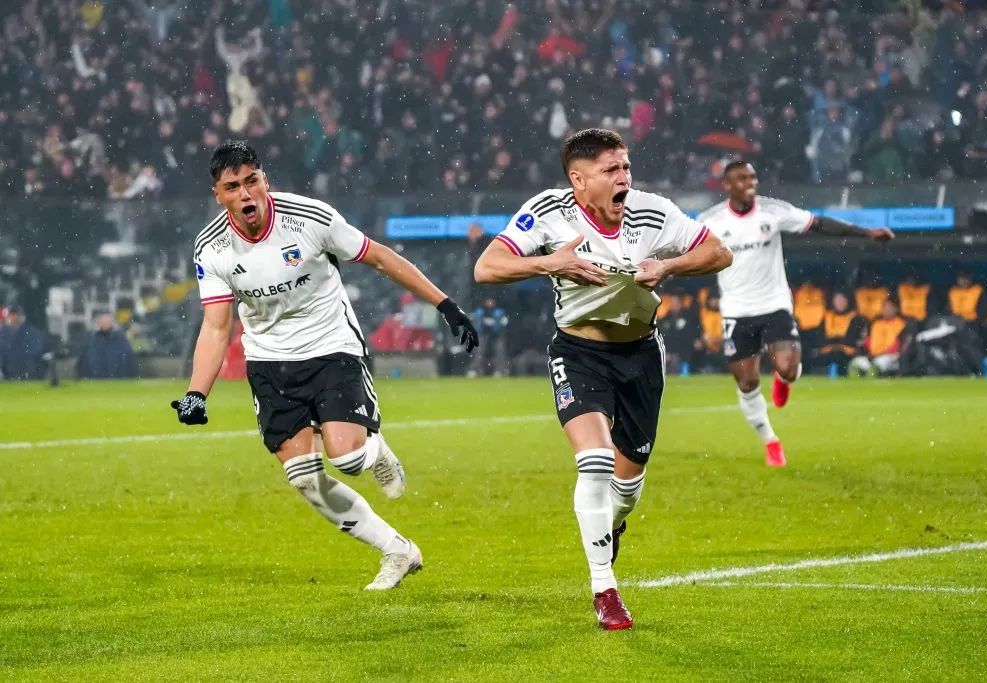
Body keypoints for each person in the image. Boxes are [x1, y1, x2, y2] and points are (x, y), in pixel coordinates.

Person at [171, 140, 479, 591]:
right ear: (218, 194)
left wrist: (444, 304)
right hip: (270, 362)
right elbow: (217, 328)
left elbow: (379, 256)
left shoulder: (310, 218)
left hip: (331, 346)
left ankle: (375, 451)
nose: (245, 194)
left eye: (251, 181)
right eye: (232, 187)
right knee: (304, 478)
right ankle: (398, 550)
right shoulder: (211, 248)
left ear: (265, 180)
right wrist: (198, 392)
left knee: (349, 457)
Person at [474, 129, 732, 630]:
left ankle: (610, 528)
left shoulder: (652, 211)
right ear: (579, 179)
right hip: (578, 353)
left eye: (626, 167)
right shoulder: (548, 211)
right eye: (612, 170)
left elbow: (720, 252)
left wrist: (671, 265)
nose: (624, 179)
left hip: (640, 357)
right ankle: (605, 590)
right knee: (593, 462)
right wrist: (551, 261)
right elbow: (488, 267)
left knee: (626, 490)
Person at [697, 161, 893, 467]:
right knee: (747, 383)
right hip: (736, 311)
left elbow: (819, 223)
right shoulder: (710, 221)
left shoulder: (773, 212)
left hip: (773, 304)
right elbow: (682, 247)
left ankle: (782, 378)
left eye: (753, 176)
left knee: (788, 368)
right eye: (742, 178)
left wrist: (865, 233)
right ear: (727, 186)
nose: (750, 183)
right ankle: (771, 441)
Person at [850, 299, 908, 376]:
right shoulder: (876, 324)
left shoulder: (901, 324)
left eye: (889, 308)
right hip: (872, 356)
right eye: (885, 308)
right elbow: (869, 341)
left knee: (878, 364)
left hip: (891, 357)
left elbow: (901, 343)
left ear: (895, 309)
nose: (887, 310)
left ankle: (871, 380)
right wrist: (864, 343)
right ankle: (856, 385)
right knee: (855, 363)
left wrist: (886, 353)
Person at [77, 313, 140, 379]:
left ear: (111, 324)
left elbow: (128, 357)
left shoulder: (120, 339)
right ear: (99, 324)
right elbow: (85, 359)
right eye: (103, 322)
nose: (105, 324)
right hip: (96, 379)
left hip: (117, 379)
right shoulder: (91, 340)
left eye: (107, 322)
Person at [0, 306, 50, 381]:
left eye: (15, 316)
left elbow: (35, 351)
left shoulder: (31, 333)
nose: (12, 319)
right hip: (8, 369)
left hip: (26, 369)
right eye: (10, 316)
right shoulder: (3, 333)